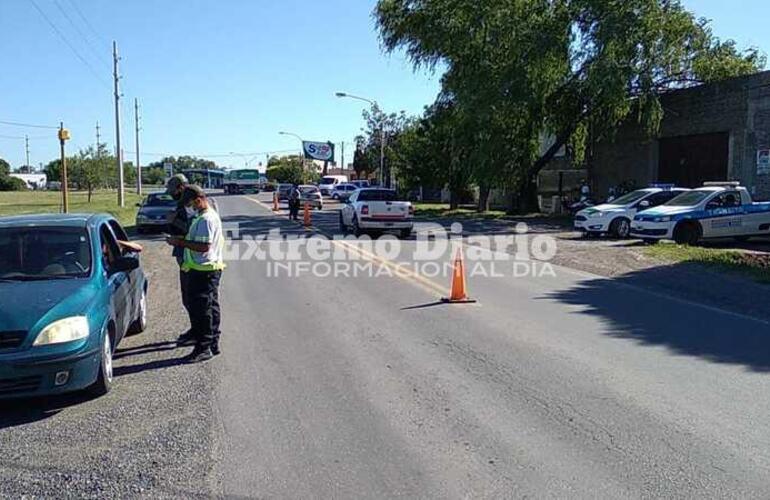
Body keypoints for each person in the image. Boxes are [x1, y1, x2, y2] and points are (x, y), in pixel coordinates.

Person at [166, 185, 226, 363]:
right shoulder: (204, 216)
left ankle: (204, 347)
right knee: (209, 307)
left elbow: (204, 246)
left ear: (199, 199)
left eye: (191, 203)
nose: (189, 206)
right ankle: (212, 342)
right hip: (206, 269)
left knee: (202, 311)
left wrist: (179, 242)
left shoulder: (206, 219)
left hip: (203, 270)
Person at [165, 174, 196, 345]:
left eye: (173, 190)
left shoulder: (189, 206)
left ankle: (199, 332)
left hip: (189, 257)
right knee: (188, 297)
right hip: (184, 255)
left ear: (181, 188)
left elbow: (192, 231)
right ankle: (195, 329)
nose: (171, 194)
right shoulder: (183, 204)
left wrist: (173, 221)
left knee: (191, 297)